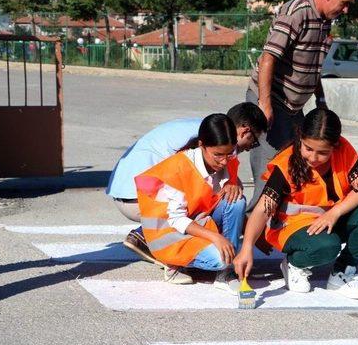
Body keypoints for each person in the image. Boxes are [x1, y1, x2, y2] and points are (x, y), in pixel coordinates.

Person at [234, 109, 358, 300]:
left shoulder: (344, 149)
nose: (314, 158)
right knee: (328, 246)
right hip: (293, 226)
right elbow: (263, 209)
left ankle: (342, 271)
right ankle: (294, 264)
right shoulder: (286, 164)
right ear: (300, 138)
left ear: (335, 145)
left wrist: (334, 213)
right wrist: (247, 247)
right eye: (308, 149)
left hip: (329, 220)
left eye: (323, 152)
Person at [106, 103, 266, 266]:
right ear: (245, 131)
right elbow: (181, 182)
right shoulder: (199, 143)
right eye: (253, 141)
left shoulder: (212, 133)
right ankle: (153, 239)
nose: (249, 148)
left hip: (126, 189)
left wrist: (250, 229)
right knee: (196, 201)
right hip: (138, 196)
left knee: (228, 197)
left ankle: (154, 237)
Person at [246, 0, 358, 210]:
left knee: (298, 165)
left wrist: (321, 100)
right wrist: (264, 105)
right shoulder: (296, 13)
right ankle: (254, 233)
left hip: (294, 108)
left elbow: (313, 65)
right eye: (344, 3)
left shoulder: (325, 19)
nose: (346, 10)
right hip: (272, 100)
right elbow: (267, 58)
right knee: (270, 172)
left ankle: (284, 221)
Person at [134, 114, 246, 289]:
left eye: (229, 153)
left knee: (237, 201)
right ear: (201, 145)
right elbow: (177, 220)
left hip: (199, 222)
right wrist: (216, 238)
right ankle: (174, 263)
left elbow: (224, 191)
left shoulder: (227, 158)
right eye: (218, 155)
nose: (224, 161)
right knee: (220, 259)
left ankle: (226, 271)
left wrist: (234, 183)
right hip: (171, 236)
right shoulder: (178, 168)